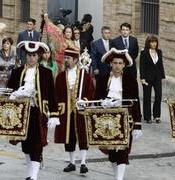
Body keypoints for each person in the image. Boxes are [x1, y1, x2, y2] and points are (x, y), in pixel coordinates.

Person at [7, 41, 59, 180]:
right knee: (26, 144)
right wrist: (15, 94)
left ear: (39, 56)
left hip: (38, 112)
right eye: (29, 55)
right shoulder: (17, 72)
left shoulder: (46, 73)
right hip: (21, 113)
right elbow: (9, 91)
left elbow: (52, 95)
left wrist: (54, 115)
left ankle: (34, 176)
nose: (31, 58)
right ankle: (29, 174)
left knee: (37, 144)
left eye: (34, 55)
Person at [95, 48, 142, 180]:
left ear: (124, 65)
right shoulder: (102, 80)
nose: (117, 66)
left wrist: (138, 125)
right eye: (115, 63)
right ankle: (116, 176)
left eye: (120, 63)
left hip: (125, 120)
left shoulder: (131, 81)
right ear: (111, 64)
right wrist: (102, 103)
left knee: (122, 151)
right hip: (107, 120)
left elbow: (136, 103)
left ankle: (119, 178)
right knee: (112, 153)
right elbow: (96, 99)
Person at [54, 47, 95, 174]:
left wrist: (85, 100)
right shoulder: (60, 77)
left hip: (80, 110)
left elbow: (91, 92)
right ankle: (72, 162)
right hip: (66, 111)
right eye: (65, 58)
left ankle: (83, 162)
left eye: (68, 58)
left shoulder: (85, 76)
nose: (66, 60)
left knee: (83, 136)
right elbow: (56, 94)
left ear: (76, 60)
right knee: (69, 137)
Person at [139, 35, 165, 124]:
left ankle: (157, 116)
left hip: (157, 77)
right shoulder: (144, 52)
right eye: (152, 42)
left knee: (158, 95)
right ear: (148, 43)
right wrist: (142, 78)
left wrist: (162, 76)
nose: (154, 44)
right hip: (147, 78)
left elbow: (160, 64)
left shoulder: (159, 52)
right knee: (147, 97)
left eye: (155, 42)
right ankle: (147, 117)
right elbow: (142, 66)